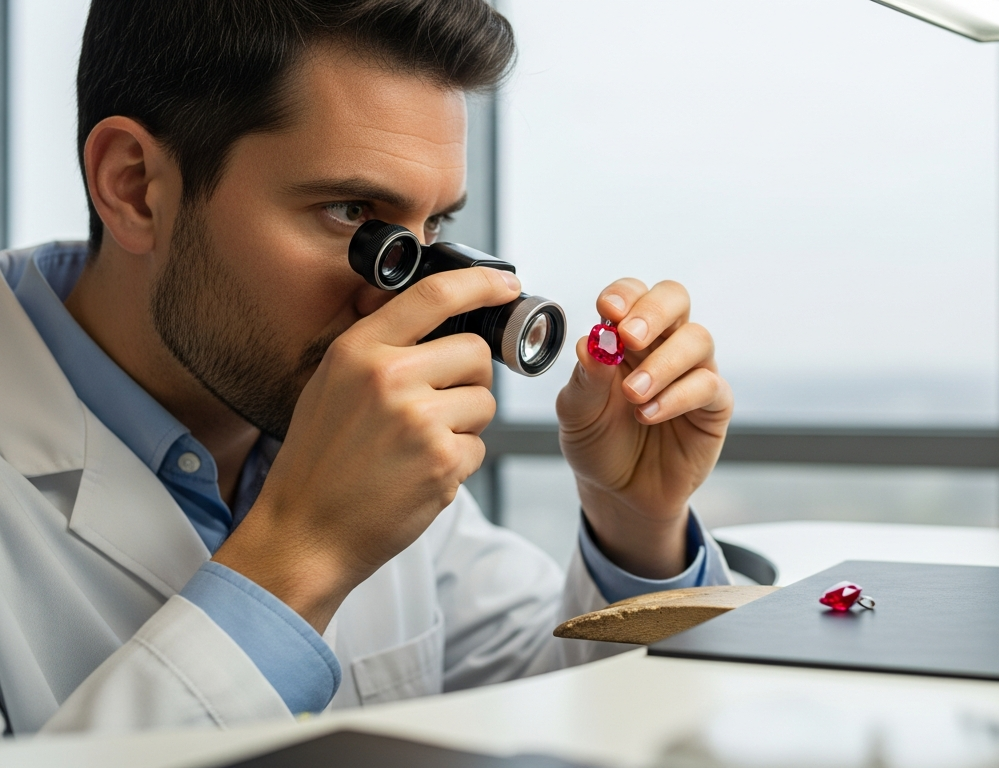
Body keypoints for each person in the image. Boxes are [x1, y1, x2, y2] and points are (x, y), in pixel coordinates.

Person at [0, 0, 735, 734]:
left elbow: (560, 709)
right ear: (135, 186)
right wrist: (302, 552)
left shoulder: (335, 422)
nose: (402, 297)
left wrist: (635, 526)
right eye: (352, 213)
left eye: (434, 227)